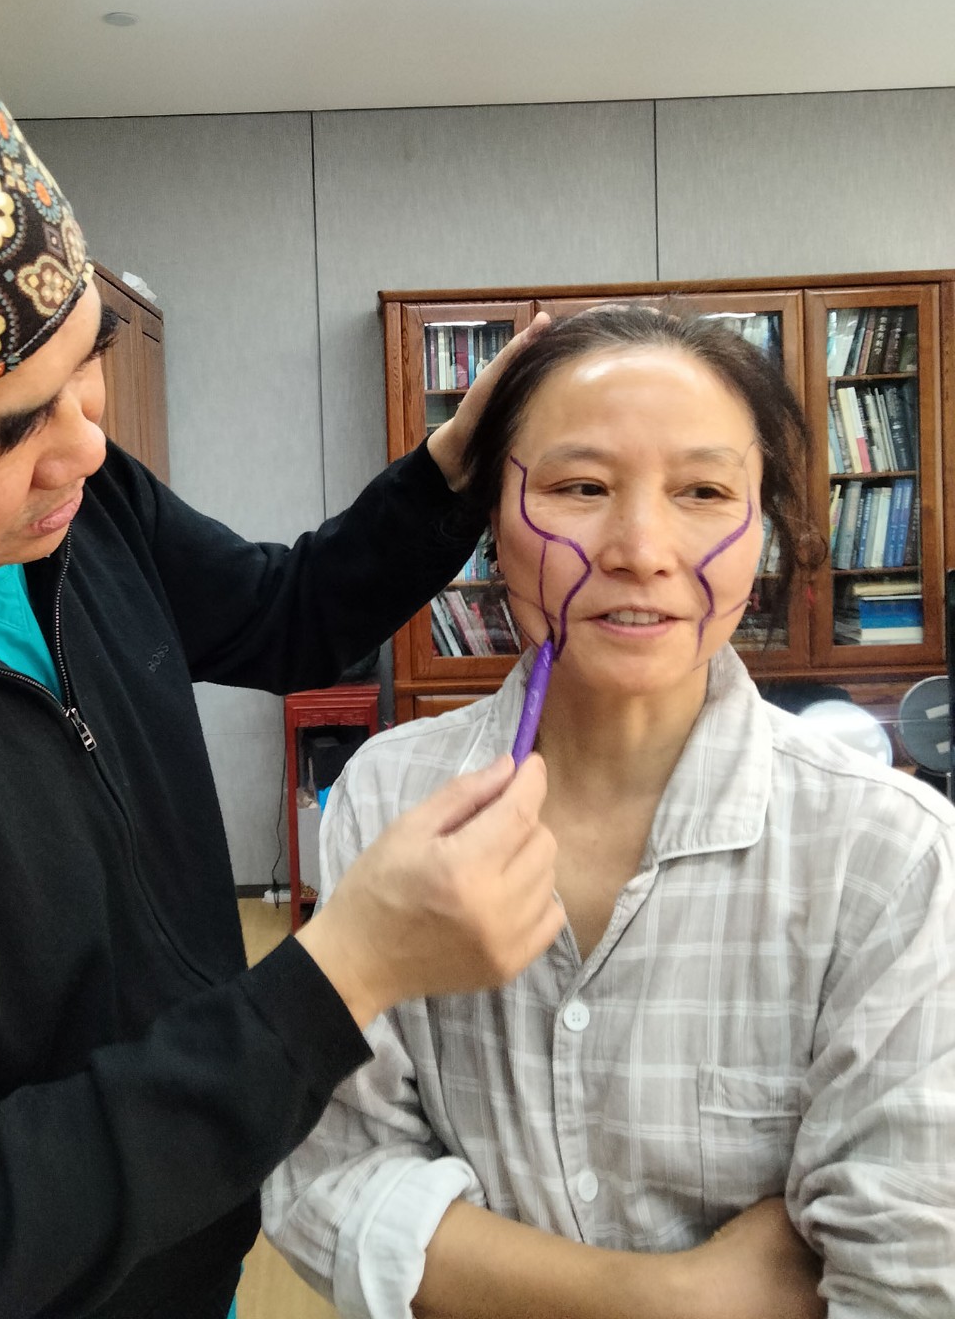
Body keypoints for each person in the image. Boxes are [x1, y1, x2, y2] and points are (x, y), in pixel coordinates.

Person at [0, 10, 565, 1319]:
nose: (86, 446)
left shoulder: (76, 506)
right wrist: (345, 971)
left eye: (89, 367)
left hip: (189, 1258)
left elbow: (287, 613)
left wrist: (453, 468)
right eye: (3, 434)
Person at [264, 303, 955, 1319]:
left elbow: (908, 1270)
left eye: (704, 491)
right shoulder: (390, 797)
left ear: (764, 530)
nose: (640, 549)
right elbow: (327, 1180)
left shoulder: (888, 851)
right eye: (580, 488)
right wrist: (673, 1299)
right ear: (492, 524)